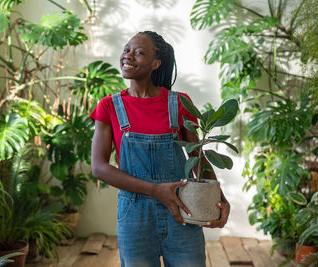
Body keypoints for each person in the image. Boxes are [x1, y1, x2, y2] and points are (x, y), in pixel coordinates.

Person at [90, 31, 230, 267]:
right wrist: (156, 190)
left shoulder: (179, 103)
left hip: (183, 211)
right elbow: (99, 168)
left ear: (156, 63)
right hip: (135, 219)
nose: (128, 56)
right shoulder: (109, 106)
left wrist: (221, 200)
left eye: (139, 52)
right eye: (126, 50)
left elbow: (198, 156)